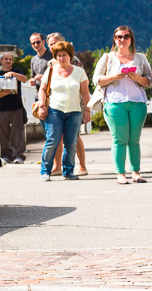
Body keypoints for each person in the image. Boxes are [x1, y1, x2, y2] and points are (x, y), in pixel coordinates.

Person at [93, 26, 151, 185]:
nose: (123, 39)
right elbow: (96, 80)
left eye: (126, 36)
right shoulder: (107, 57)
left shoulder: (140, 58)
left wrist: (137, 78)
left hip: (138, 103)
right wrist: (113, 76)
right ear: (115, 39)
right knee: (119, 139)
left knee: (134, 140)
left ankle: (136, 172)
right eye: (119, 37)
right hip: (114, 103)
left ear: (131, 39)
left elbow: (149, 81)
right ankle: (120, 174)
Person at [35, 41, 90, 181]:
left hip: (74, 112)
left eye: (64, 55)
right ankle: (45, 171)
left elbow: (85, 92)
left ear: (70, 56)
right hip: (54, 111)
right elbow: (42, 89)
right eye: (58, 55)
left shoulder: (79, 72)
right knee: (52, 140)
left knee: (71, 143)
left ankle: (69, 171)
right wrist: (42, 105)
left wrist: (87, 111)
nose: (61, 58)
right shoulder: (51, 70)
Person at [0, 53, 27, 164]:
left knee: (18, 133)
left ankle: (19, 156)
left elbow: (24, 79)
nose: (8, 61)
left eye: (10, 59)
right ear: (1, 61)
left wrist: (12, 74)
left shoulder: (17, 71)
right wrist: (8, 92)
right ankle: (5, 155)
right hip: (1, 109)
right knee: (3, 133)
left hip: (17, 107)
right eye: (6, 59)